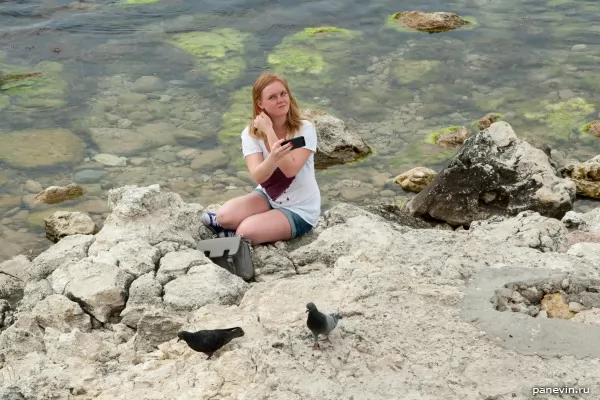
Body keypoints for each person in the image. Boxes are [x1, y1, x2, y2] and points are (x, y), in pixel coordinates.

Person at [202, 72, 321, 245]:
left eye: (283, 94)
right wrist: (272, 156)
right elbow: (259, 176)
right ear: (260, 104)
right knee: (223, 216)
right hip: (268, 196)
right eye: (272, 97)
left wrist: (269, 132)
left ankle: (239, 233)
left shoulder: (305, 129)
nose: (280, 100)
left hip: (300, 209)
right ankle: (235, 228)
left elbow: (290, 170)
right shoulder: (250, 134)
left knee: (245, 231)